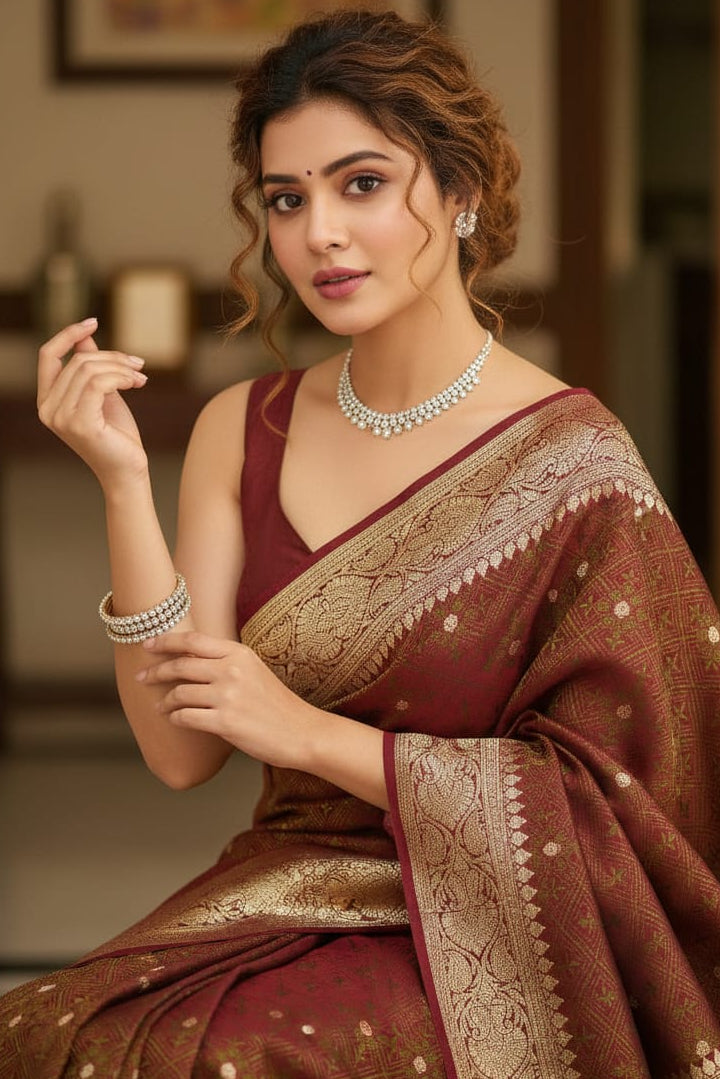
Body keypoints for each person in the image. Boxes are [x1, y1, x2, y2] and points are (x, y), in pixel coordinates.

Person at [2, 7, 720, 1077]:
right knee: (48, 1031)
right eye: (287, 200)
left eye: (363, 184)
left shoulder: (575, 461)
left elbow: (634, 800)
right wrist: (119, 483)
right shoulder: (239, 427)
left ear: (462, 191)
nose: (319, 234)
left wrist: (301, 729)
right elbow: (181, 750)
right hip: (278, 890)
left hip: (495, 925)